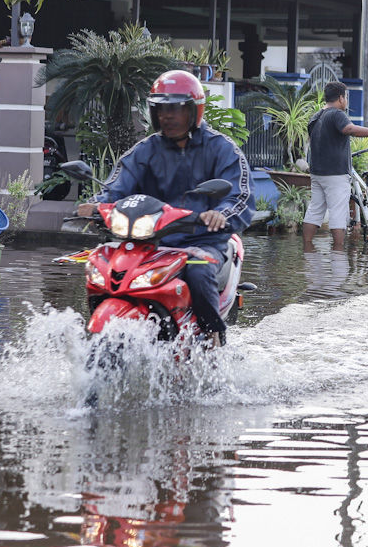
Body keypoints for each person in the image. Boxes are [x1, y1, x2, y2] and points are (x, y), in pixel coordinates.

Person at [77, 69, 254, 346]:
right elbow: (117, 186)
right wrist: (97, 205)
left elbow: (240, 195)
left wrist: (221, 213)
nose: (167, 116)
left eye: (175, 109)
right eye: (161, 109)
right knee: (106, 266)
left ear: (193, 111)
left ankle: (212, 337)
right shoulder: (144, 151)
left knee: (198, 271)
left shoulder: (222, 149)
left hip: (202, 240)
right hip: (150, 242)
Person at [303, 80, 368, 251]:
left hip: (317, 173)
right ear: (341, 98)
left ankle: (307, 251)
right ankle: (338, 255)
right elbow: (349, 129)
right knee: (338, 213)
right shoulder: (337, 114)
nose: (346, 101)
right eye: (346, 97)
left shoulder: (315, 117)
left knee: (315, 210)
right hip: (335, 174)